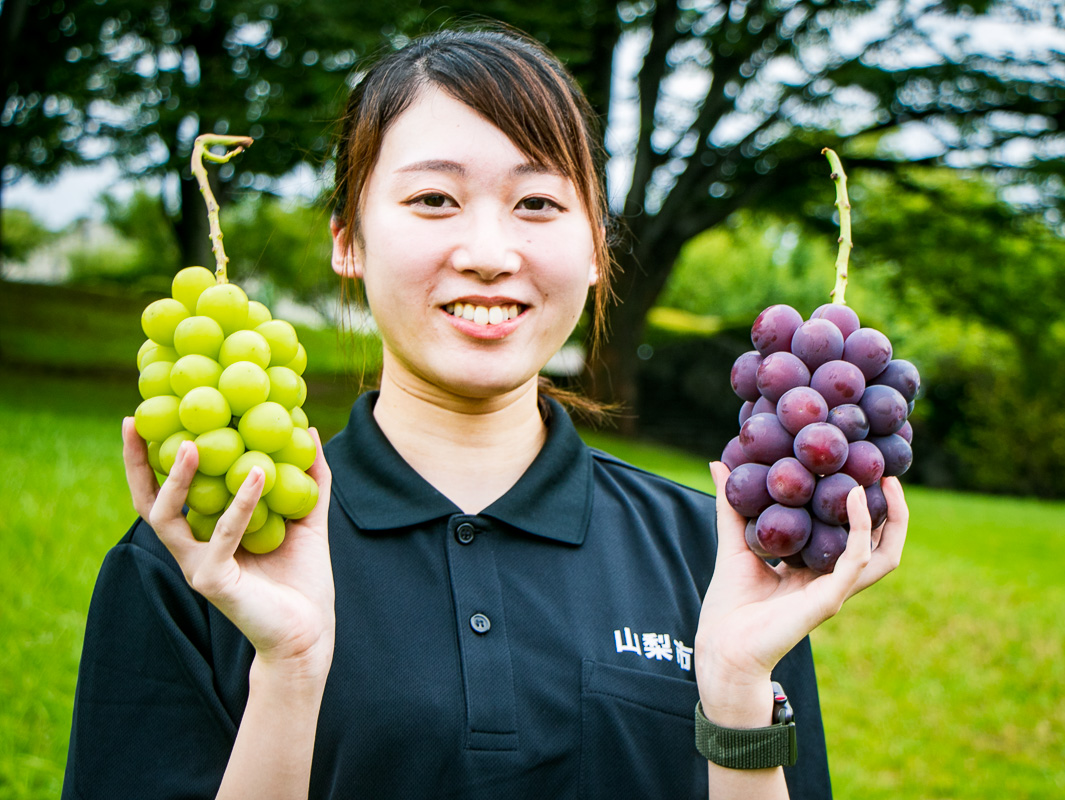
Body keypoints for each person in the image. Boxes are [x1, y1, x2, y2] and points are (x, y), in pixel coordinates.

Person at [63, 26, 907, 800]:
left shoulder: (722, 558)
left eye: (537, 204)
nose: (489, 255)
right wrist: (288, 671)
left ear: (594, 254)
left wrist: (731, 691)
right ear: (347, 241)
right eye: (434, 200)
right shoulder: (203, 559)